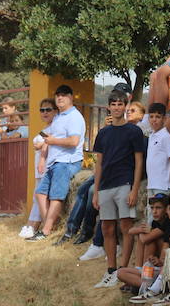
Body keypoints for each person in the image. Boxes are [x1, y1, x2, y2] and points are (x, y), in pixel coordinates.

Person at [89, 85, 146, 288]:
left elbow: (139, 161)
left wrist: (135, 189)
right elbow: (99, 163)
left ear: (125, 106)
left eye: (120, 104)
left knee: (126, 227)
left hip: (125, 183)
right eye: (113, 104)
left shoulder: (134, 131)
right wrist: (95, 191)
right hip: (105, 185)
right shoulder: (103, 133)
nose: (116, 108)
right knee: (107, 227)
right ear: (108, 107)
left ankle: (122, 270)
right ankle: (111, 270)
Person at [30, 85, 86, 242]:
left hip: (67, 162)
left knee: (56, 196)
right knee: (40, 193)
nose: (60, 98)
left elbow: (74, 141)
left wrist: (53, 140)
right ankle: (51, 227)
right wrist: (42, 158)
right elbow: (49, 138)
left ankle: (46, 231)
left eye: (63, 95)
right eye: (58, 95)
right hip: (54, 162)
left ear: (71, 97)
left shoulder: (74, 117)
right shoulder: (59, 117)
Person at [116, 192, 170, 299]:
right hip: (152, 266)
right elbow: (130, 231)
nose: (154, 211)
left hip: (161, 268)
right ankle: (143, 279)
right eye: (152, 208)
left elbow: (145, 239)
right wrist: (141, 230)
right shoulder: (155, 223)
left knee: (148, 240)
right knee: (120, 272)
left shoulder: (168, 224)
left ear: (166, 209)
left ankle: (149, 287)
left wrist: (143, 232)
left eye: (158, 208)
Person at [18, 99, 55, 241]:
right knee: (37, 197)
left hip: (45, 166)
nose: (45, 113)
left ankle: (34, 226)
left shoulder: (55, 128)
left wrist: (41, 159)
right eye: (42, 110)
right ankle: (31, 225)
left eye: (48, 110)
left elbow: (46, 143)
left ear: (55, 111)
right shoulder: (45, 129)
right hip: (39, 169)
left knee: (39, 197)